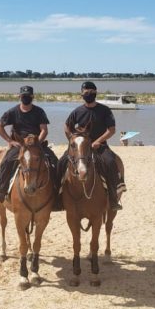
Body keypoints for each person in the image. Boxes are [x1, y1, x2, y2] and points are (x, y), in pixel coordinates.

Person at [58, 81, 125, 211]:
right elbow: (67, 126)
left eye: (91, 92)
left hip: (99, 146)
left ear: (95, 93)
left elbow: (111, 130)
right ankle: (58, 197)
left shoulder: (104, 110)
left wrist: (98, 141)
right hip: (80, 147)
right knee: (61, 162)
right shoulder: (77, 111)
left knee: (111, 162)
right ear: (82, 94)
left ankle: (113, 198)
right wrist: (73, 141)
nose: (88, 94)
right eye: (86, 92)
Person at [0, 85, 57, 203]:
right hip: (19, 145)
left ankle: (57, 194)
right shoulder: (12, 112)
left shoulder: (39, 111)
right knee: (7, 161)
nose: (26, 98)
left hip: (37, 144)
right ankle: (2, 191)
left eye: (28, 96)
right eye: (24, 96)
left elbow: (44, 130)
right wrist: (10, 141)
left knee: (54, 161)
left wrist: (37, 143)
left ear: (32, 97)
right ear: (19, 96)